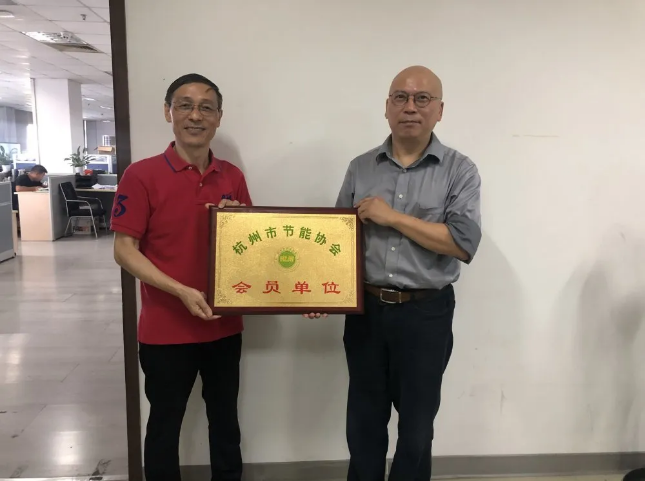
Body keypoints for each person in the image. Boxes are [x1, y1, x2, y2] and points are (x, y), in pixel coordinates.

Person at [308, 65, 482, 481]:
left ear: (439, 110)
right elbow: (338, 239)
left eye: (422, 99)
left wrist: (392, 217)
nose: (410, 107)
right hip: (366, 311)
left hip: (425, 314)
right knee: (363, 421)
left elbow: (463, 243)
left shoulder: (459, 170)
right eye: (400, 97)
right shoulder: (361, 167)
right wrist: (319, 291)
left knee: (417, 427)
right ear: (387, 107)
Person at [111, 73, 252, 481]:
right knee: (164, 425)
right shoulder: (141, 175)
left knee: (225, 422)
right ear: (168, 112)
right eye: (185, 105)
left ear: (219, 117)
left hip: (223, 325)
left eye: (206, 107)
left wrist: (241, 224)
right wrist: (180, 291)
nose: (195, 116)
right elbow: (124, 249)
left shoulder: (232, 176)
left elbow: (252, 246)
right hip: (165, 330)